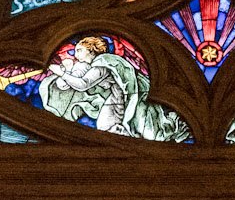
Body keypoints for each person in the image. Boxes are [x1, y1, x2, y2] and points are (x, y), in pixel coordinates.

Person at [36, 36, 190, 141]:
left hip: (130, 97)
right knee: (108, 128)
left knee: (147, 133)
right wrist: (66, 71)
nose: (75, 55)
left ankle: (174, 126)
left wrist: (62, 73)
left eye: (79, 50)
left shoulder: (102, 63)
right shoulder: (93, 65)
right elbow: (71, 83)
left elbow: (83, 84)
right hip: (117, 98)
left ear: (91, 50)